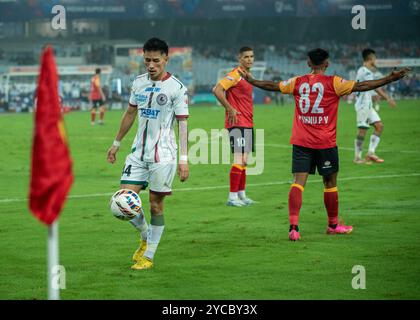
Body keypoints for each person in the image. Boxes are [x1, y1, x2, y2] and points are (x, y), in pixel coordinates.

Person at [239, 48, 409, 241]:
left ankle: (294, 228)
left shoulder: (297, 82)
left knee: (298, 183)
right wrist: (390, 78)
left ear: (308, 64)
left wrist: (252, 81)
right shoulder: (334, 82)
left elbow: (272, 85)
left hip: (301, 141)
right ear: (327, 64)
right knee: (330, 183)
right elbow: (362, 86)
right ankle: (333, 225)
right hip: (325, 143)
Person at [107, 38, 189, 269]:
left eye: (156, 60)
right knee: (123, 200)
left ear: (165, 59)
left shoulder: (176, 88)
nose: (151, 65)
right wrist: (116, 143)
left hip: (163, 155)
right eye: (147, 60)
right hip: (137, 153)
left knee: (155, 206)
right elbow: (130, 113)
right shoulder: (138, 83)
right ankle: (145, 235)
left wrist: (184, 159)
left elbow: (183, 124)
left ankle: (149, 256)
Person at [212, 46, 256, 207]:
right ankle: (232, 197)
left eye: (251, 56)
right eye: (246, 57)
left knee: (244, 160)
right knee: (239, 159)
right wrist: (229, 108)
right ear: (239, 58)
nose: (249, 59)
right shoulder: (235, 75)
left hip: (247, 122)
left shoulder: (247, 76)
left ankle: (241, 195)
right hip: (237, 122)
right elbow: (217, 89)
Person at [353, 49, 396, 164]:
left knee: (379, 126)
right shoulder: (364, 71)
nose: (375, 60)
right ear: (370, 58)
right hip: (363, 104)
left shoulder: (366, 71)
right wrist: (388, 98)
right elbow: (375, 87)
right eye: (374, 58)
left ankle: (370, 153)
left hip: (367, 104)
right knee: (362, 130)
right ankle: (357, 157)